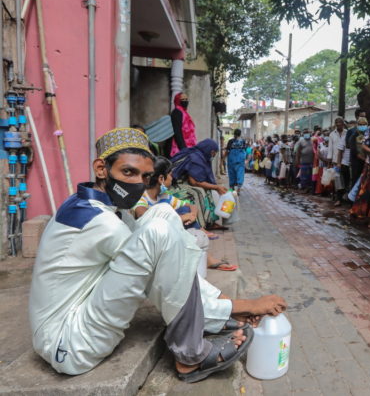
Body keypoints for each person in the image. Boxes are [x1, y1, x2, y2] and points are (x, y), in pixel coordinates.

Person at [29, 128, 287, 382]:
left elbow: (174, 270)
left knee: (162, 215)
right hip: (69, 343)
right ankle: (190, 356)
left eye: (145, 176)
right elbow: (163, 278)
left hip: (74, 321)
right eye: (128, 172)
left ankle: (216, 316)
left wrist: (228, 305)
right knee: (159, 227)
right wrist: (244, 306)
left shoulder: (93, 205)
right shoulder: (101, 223)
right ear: (101, 169)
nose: (137, 183)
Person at [133, 156, 237, 271]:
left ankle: (203, 256)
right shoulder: (142, 197)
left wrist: (191, 214)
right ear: (161, 178)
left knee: (184, 211)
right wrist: (180, 218)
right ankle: (204, 258)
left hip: (166, 237)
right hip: (150, 243)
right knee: (178, 218)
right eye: (170, 174)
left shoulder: (165, 196)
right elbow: (144, 216)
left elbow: (191, 206)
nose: (172, 178)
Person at [171, 139, 229, 231]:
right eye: (213, 153)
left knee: (208, 191)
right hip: (174, 185)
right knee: (198, 193)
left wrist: (215, 187)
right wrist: (216, 187)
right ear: (210, 151)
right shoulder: (195, 158)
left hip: (184, 182)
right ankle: (200, 226)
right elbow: (194, 182)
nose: (213, 155)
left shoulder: (199, 156)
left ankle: (210, 222)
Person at [170, 92, 198, 157]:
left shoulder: (184, 113)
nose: (185, 101)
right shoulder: (177, 112)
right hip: (180, 148)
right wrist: (183, 149)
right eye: (183, 100)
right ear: (178, 101)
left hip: (188, 147)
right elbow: (177, 132)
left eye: (186, 99)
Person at [328, 118, 348, 206]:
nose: (338, 124)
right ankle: (338, 199)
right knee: (337, 180)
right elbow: (330, 148)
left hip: (346, 160)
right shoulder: (332, 134)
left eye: (340, 122)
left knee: (346, 179)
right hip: (336, 160)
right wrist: (330, 160)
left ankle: (345, 197)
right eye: (337, 123)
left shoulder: (347, 132)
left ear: (343, 124)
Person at [347, 117, 369, 187]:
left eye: (364, 124)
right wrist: (364, 159)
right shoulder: (354, 136)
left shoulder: (368, 134)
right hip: (356, 162)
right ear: (357, 125)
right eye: (360, 124)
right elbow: (354, 151)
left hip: (367, 162)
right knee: (356, 180)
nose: (362, 126)